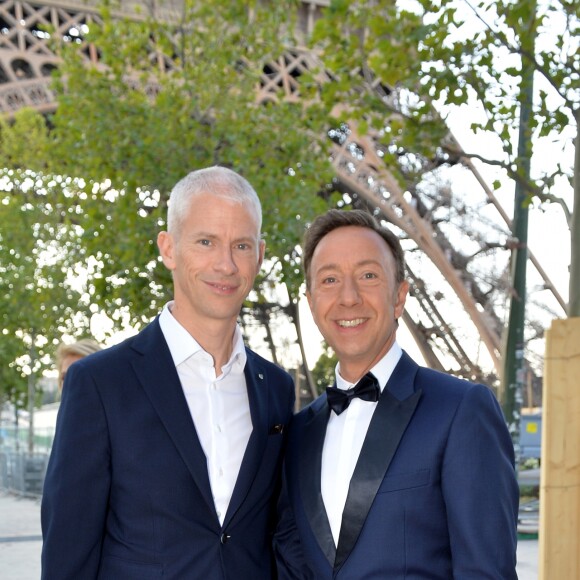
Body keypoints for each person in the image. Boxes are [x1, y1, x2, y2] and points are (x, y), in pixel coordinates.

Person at [41, 166, 295, 579]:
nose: (226, 264)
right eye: (206, 241)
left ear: (260, 255)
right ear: (169, 248)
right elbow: (69, 552)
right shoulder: (100, 384)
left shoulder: (276, 390)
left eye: (242, 245)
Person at [274, 209, 519, 579]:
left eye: (368, 275)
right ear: (311, 303)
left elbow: (486, 572)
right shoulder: (297, 433)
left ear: (399, 296)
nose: (348, 297)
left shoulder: (460, 411)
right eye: (329, 280)